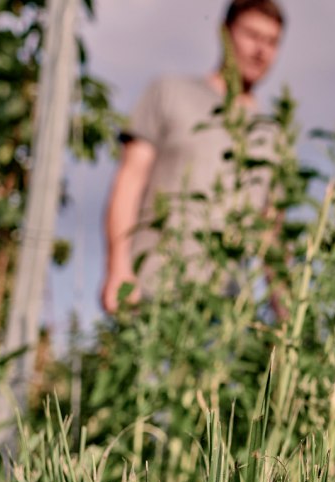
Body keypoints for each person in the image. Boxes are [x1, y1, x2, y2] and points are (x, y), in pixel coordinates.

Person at [101, 0, 285, 313]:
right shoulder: (170, 92)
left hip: (225, 306)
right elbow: (129, 180)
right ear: (225, 34)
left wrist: (284, 311)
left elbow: (271, 229)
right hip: (153, 291)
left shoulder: (272, 133)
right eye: (252, 36)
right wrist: (118, 268)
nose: (260, 51)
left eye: (271, 42)